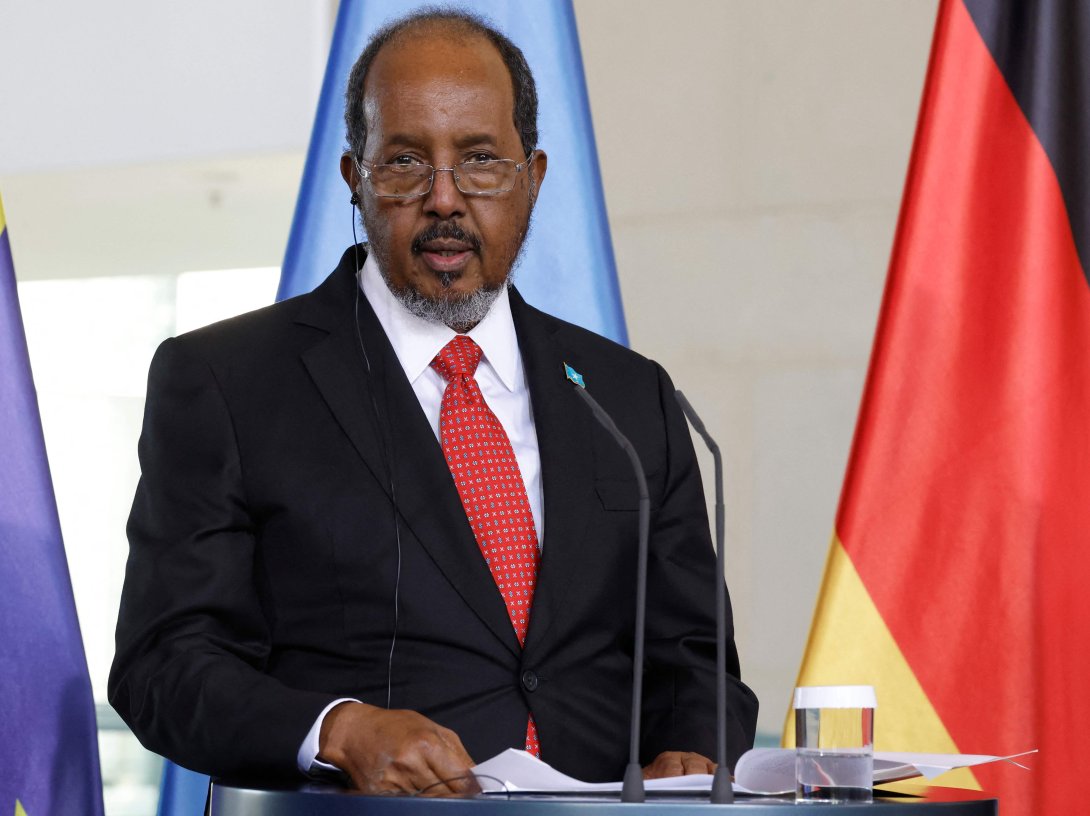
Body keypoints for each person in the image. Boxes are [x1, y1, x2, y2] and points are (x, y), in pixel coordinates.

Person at [109, 9, 757, 795]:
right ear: (356, 179)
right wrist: (338, 729)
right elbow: (164, 664)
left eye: (481, 160)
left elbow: (698, 658)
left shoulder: (627, 395)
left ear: (533, 178)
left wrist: (693, 747)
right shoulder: (226, 381)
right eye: (406, 162)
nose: (444, 199)